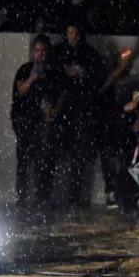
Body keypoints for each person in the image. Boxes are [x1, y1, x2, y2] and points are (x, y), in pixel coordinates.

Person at [53, 23, 104, 208]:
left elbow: (97, 80)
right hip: (64, 112)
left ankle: (74, 198)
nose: (72, 36)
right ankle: (55, 198)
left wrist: (83, 75)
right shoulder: (59, 53)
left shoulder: (89, 54)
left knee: (79, 157)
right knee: (58, 154)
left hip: (83, 112)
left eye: (75, 33)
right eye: (69, 33)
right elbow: (54, 78)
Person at [10, 34, 61, 212]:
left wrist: (52, 112)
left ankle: (43, 197)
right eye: (37, 50)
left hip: (44, 123)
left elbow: (59, 96)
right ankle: (22, 197)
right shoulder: (25, 70)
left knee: (46, 161)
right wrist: (32, 78)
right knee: (24, 161)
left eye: (43, 51)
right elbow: (20, 91)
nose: (40, 54)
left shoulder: (53, 73)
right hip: (24, 122)